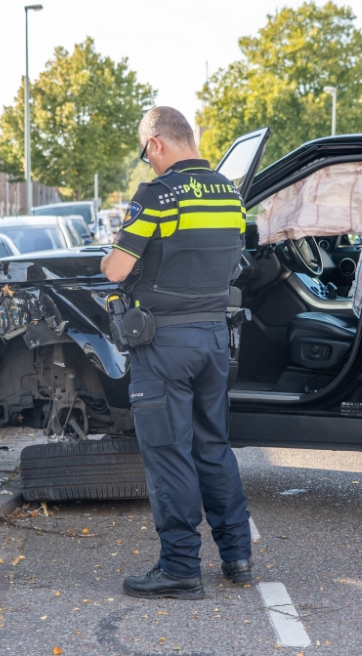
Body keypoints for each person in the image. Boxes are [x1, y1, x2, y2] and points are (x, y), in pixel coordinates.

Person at [100, 106, 252, 600]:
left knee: (168, 454)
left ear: (158, 143)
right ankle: (237, 556)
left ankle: (181, 567)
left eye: (146, 153)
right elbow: (237, 259)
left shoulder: (158, 194)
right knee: (213, 447)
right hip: (212, 337)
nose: (148, 162)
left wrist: (109, 254)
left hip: (165, 342)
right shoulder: (230, 193)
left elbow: (118, 269)